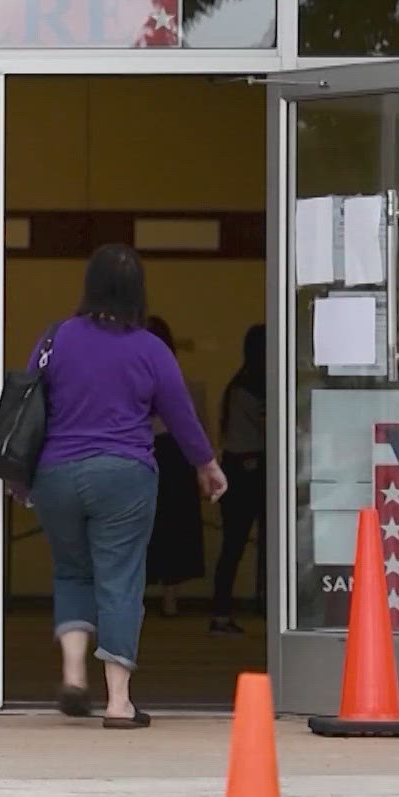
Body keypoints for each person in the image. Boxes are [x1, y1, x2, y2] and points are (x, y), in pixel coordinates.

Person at [18, 244, 226, 728]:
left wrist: (20, 475)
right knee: (120, 580)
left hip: (56, 474)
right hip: (123, 475)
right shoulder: (150, 347)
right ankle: (117, 701)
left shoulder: (57, 338)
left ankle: (73, 674)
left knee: (72, 572)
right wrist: (206, 464)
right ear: (138, 291)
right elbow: (180, 414)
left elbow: (28, 402)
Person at [142, 315, 205, 617]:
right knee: (172, 526)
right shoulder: (183, 384)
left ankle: (139, 595)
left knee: (143, 526)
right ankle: (170, 597)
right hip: (173, 455)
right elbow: (199, 428)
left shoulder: (131, 380)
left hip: (148, 454)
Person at [211, 324, 269, 634]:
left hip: (236, 468)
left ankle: (223, 610)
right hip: (251, 468)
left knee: (234, 544)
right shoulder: (253, 388)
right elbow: (268, 427)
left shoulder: (238, 384)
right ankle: (262, 607)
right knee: (257, 544)